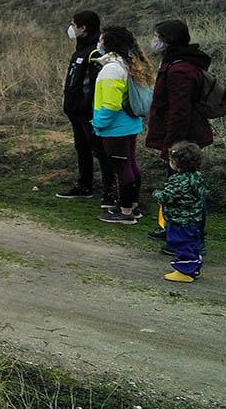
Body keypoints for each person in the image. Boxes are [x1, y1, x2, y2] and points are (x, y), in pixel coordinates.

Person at [144, 19, 215, 239]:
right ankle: (173, 229)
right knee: (181, 186)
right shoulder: (178, 63)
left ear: (168, 40)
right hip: (184, 136)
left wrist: (171, 145)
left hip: (182, 139)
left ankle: (187, 235)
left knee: (184, 189)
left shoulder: (179, 70)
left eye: (157, 36)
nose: (153, 40)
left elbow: (179, 111)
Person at [91, 26, 154, 224]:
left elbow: (110, 103)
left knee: (122, 168)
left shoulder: (112, 69)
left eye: (101, 40)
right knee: (131, 165)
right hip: (131, 124)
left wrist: (98, 123)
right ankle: (132, 206)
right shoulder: (130, 63)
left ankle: (125, 212)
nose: (99, 43)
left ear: (109, 44)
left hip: (116, 126)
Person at [57, 10, 115, 204]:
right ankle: (84, 185)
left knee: (99, 151)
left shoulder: (95, 52)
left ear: (83, 28)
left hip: (88, 113)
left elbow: (94, 85)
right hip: (74, 111)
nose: (71, 29)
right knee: (81, 148)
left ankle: (110, 192)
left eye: (74, 25)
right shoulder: (80, 49)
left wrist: (84, 107)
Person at [152, 141, 209, 282]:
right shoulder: (198, 177)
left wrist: (156, 194)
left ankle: (185, 271)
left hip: (179, 219)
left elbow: (166, 196)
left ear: (176, 163)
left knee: (180, 243)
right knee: (192, 244)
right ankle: (194, 268)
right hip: (193, 219)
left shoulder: (178, 181)